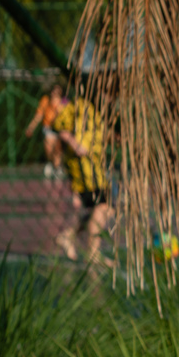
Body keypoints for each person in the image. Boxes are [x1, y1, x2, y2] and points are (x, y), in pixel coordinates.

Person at [50, 94, 115, 273]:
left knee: (102, 209)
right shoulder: (79, 106)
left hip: (95, 169)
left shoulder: (97, 109)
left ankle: (69, 236)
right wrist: (75, 144)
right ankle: (92, 253)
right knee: (104, 207)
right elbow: (58, 126)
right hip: (85, 172)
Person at [24, 80, 69, 179]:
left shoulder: (64, 101)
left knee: (58, 149)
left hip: (61, 129)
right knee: (49, 150)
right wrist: (31, 127)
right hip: (48, 127)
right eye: (53, 90)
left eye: (57, 91)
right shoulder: (45, 100)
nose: (55, 93)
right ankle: (51, 163)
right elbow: (39, 115)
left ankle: (57, 168)